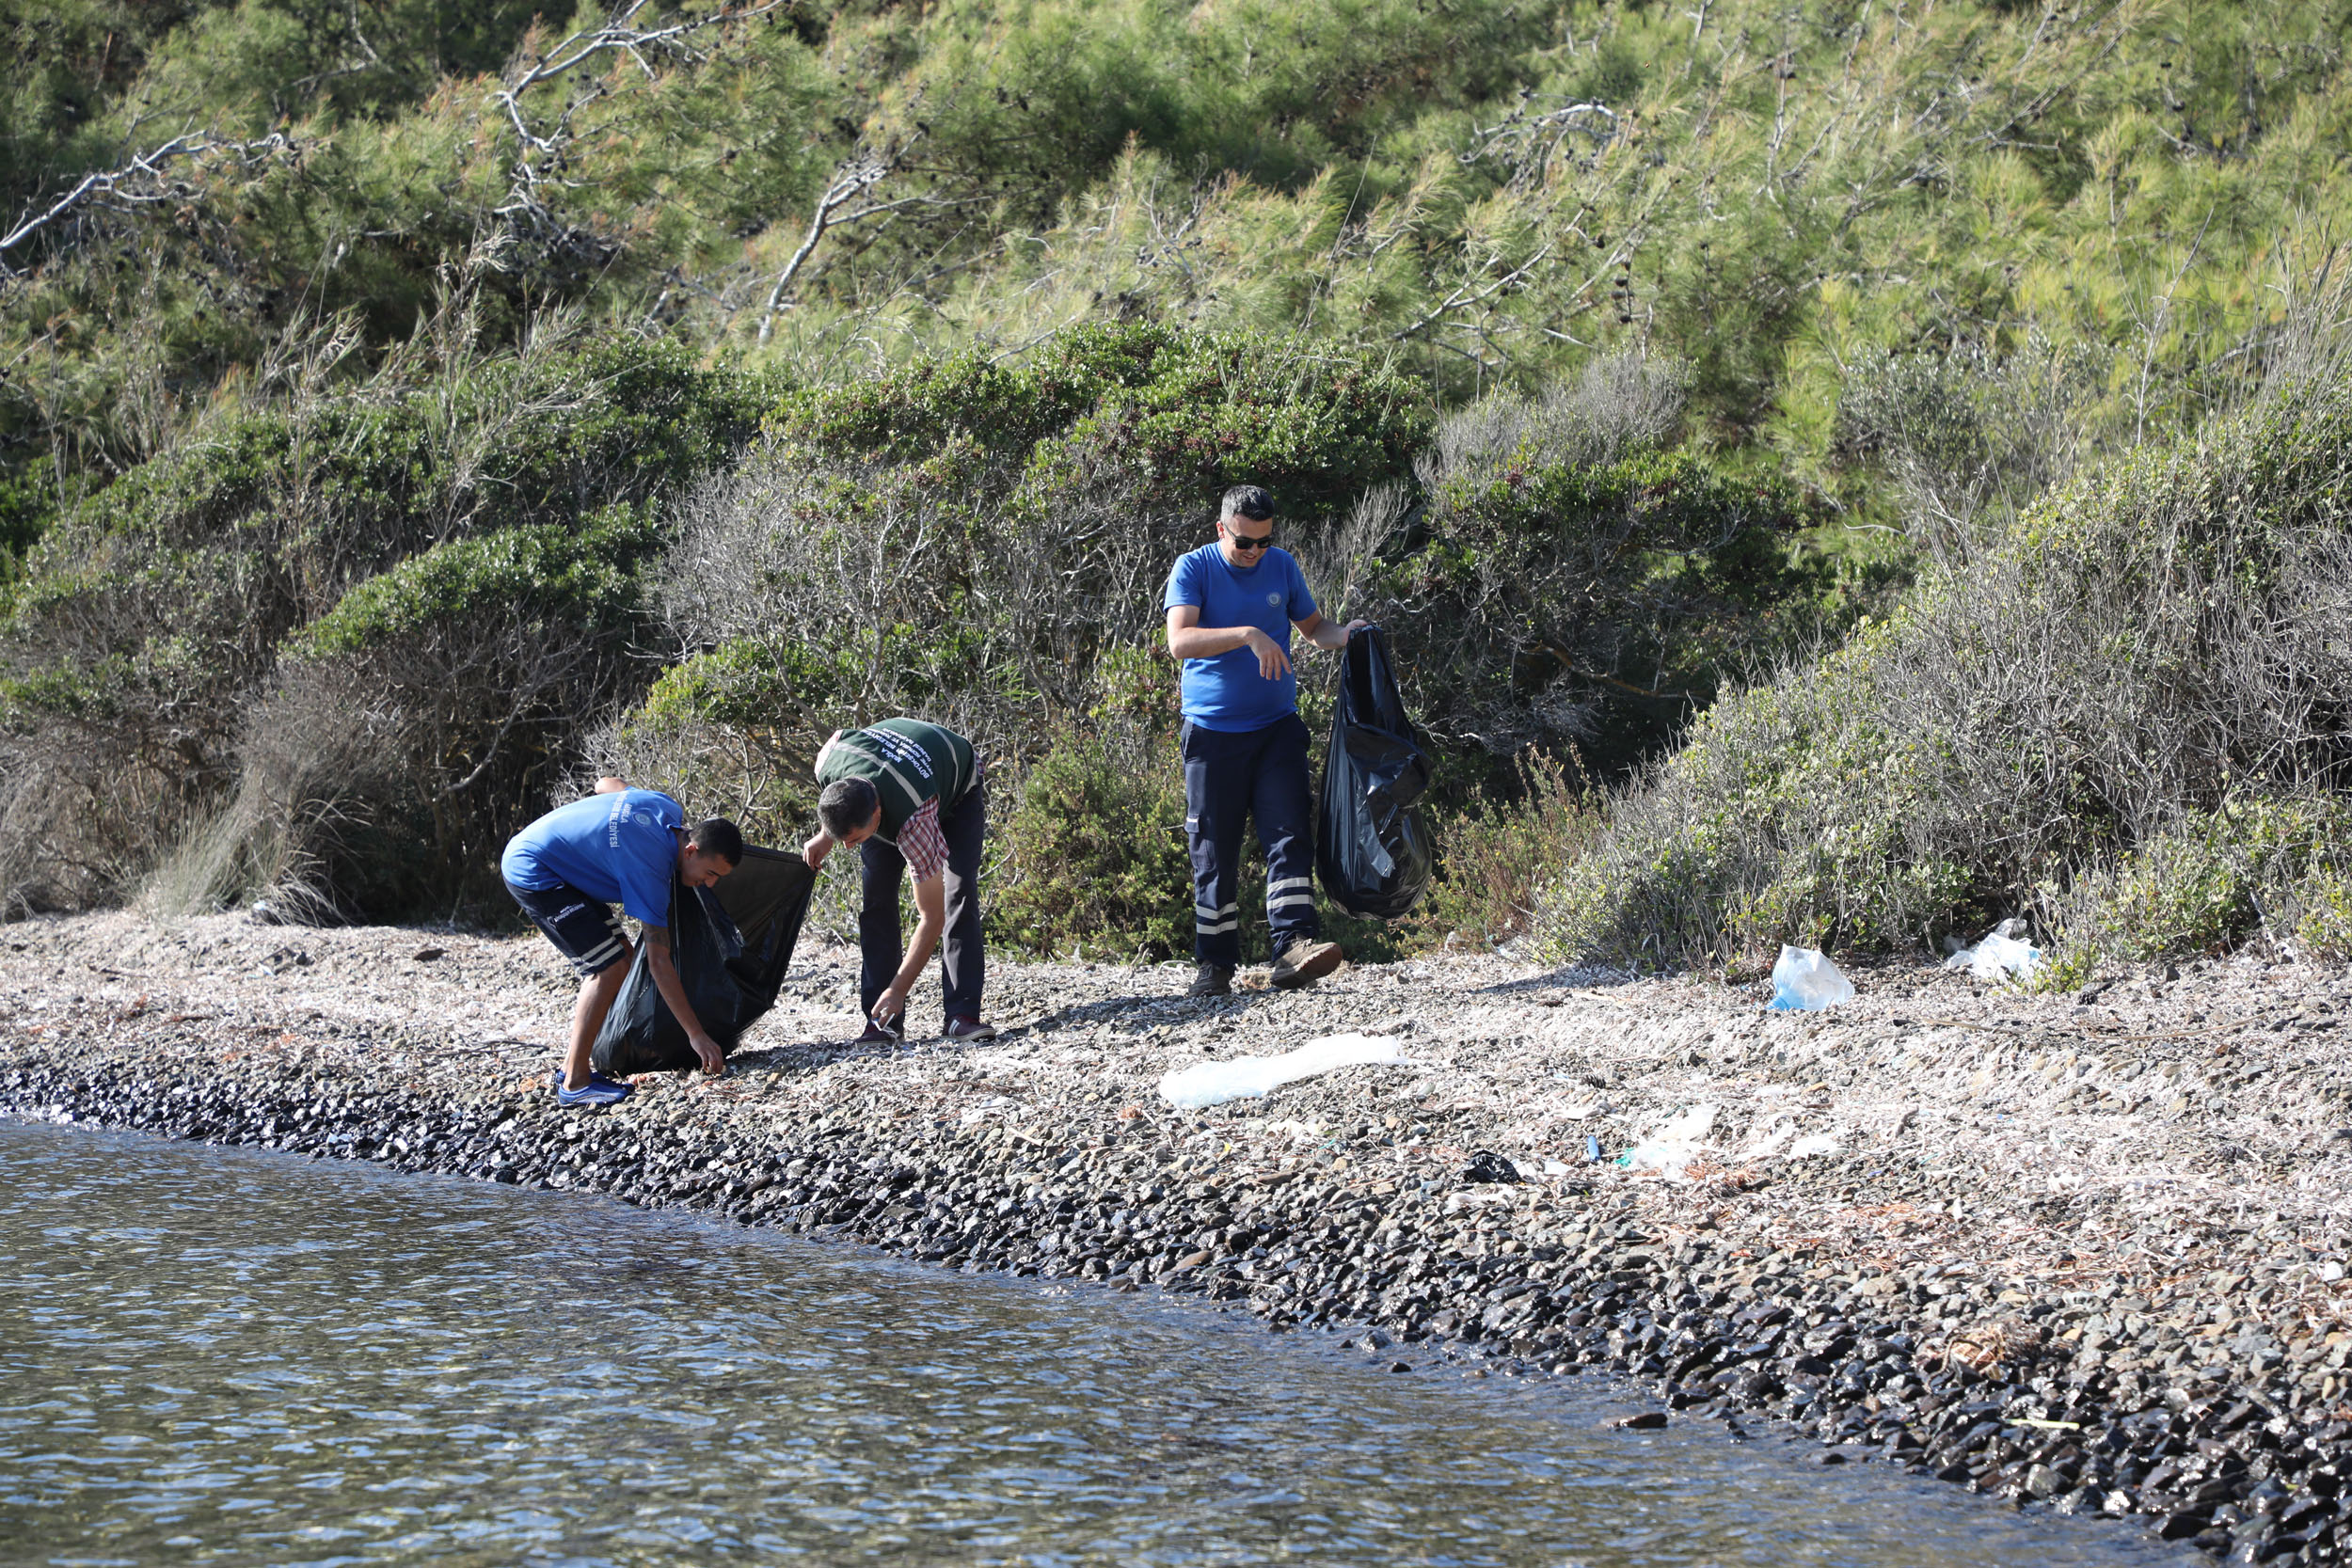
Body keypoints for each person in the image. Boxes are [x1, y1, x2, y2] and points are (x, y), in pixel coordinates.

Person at [1165, 483, 1365, 998]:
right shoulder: (1195, 568)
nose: (1254, 553)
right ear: (1221, 530)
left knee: (1289, 833)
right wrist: (1248, 633)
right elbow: (1179, 641)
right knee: (1213, 848)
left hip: (1276, 727)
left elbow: (1314, 626)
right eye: (1244, 542)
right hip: (1212, 734)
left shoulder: (1282, 566)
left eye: (1263, 542)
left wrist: (1350, 635)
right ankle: (1214, 965)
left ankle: (1293, 948)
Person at [501, 784, 744, 1107]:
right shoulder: (650, 868)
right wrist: (696, 1035)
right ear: (690, 851)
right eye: (711, 873)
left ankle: (588, 1057)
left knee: (625, 959)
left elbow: (609, 784)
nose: (710, 883)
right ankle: (573, 1082)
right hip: (535, 872)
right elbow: (659, 962)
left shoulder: (666, 809)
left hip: (561, 869)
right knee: (608, 969)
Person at [803, 719, 995, 1044]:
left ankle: (960, 1016)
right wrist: (826, 836)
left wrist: (899, 989)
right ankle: (882, 1022)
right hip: (894, 774)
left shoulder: (914, 820)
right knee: (876, 900)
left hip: (954, 784)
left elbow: (931, 918)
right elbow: (838, 799)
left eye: (855, 839)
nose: (849, 848)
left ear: (877, 815)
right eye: (844, 841)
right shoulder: (829, 761)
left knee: (958, 893)